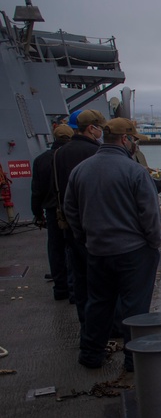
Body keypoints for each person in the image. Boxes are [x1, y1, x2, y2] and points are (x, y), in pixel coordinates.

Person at [63, 117, 161, 370]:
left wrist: (85, 238)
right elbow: (150, 215)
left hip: (97, 251)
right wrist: (154, 243)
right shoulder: (135, 171)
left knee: (98, 303)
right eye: (134, 140)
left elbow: (70, 210)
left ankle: (91, 355)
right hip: (134, 252)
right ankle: (133, 360)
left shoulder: (81, 169)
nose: (135, 145)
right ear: (125, 139)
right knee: (135, 307)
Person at [53, 109, 106, 335]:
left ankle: (88, 329)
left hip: (71, 225)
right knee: (103, 285)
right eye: (99, 127)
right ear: (92, 128)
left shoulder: (59, 153)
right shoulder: (96, 153)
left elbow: (63, 194)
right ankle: (108, 330)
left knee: (81, 280)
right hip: (97, 228)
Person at [30, 123, 75, 300]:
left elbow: (36, 191)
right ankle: (73, 290)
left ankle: (60, 289)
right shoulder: (71, 158)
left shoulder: (40, 160)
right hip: (70, 209)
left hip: (50, 210)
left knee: (55, 249)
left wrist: (37, 213)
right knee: (72, 248)